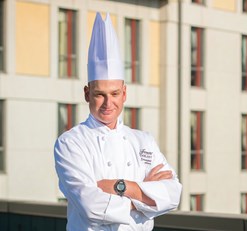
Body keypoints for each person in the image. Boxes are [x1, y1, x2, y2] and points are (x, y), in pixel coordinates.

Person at [54, 12, 182, 231]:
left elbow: (173, 194)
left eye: (114, 94)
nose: (107, 103)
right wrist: (146, 199)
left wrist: (120, 187)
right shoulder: (70, 143)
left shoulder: (143, 141)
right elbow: (91, 206)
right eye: (99, 94)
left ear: (124, 93)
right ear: (87, 94)